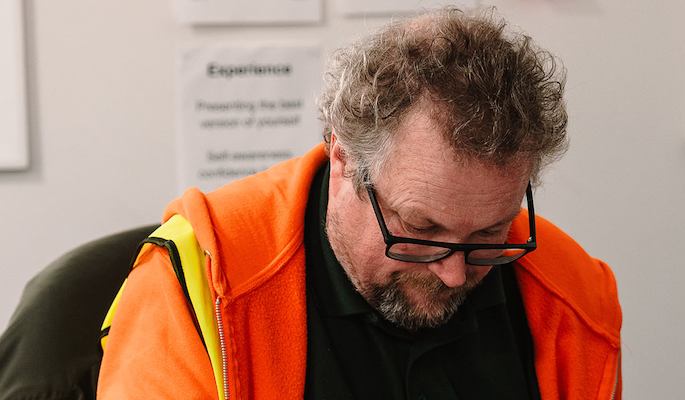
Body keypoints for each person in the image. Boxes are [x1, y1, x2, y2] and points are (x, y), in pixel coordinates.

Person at [97, 8, 622, 400]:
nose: (455, 274)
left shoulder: (576, 299)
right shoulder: (198, 281)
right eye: (421, 227)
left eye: (489, 234)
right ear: (343, 156)